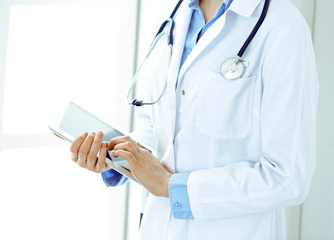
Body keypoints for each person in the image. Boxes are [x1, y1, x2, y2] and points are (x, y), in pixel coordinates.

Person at [69, 0, 318, 239]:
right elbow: (160, 127)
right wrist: (120, 154)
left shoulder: (283, 26)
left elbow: (287, 177)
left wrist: (172, 186)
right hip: (158, 226)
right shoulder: (170, 16)